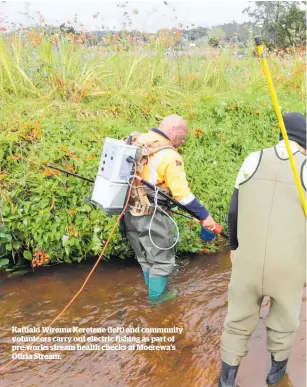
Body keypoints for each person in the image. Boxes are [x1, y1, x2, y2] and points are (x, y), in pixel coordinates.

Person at [218, 112, 306, 387]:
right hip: (289, 266)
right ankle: (275, 377)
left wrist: (234, 247)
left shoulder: (252, 159)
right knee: (285, 320)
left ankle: (226, 381)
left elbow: (234, 210)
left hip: (247, 260)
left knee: (237, 320)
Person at [122, 114, 218, 304]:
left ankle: (152, 293)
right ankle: (157, 300)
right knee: (162, 261)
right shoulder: (170, 156)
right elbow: (182, 195)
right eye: (182, 137)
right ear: (173, 130)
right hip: (153, 215)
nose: (182, 143)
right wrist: (205, 216)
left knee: (145, 257)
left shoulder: (138, 140)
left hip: (129, 212)